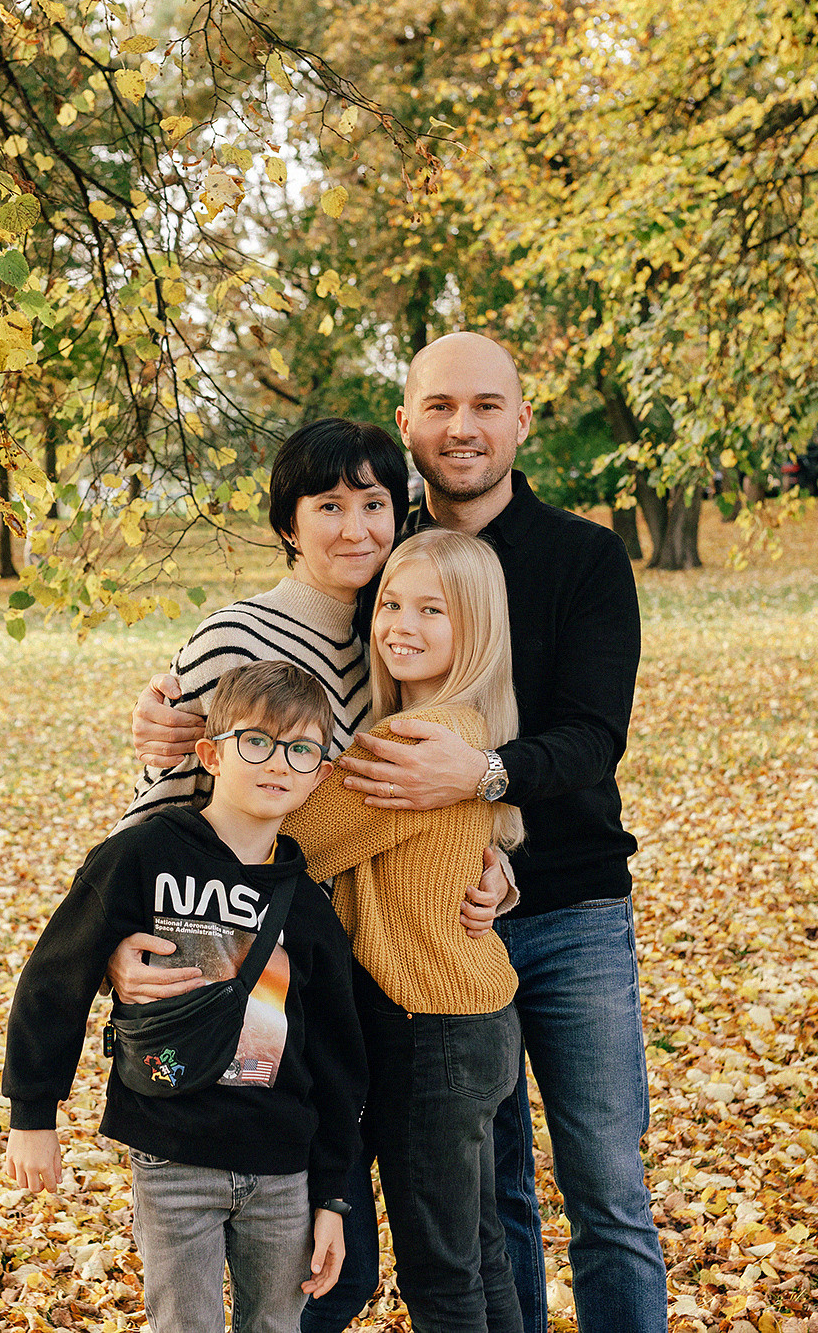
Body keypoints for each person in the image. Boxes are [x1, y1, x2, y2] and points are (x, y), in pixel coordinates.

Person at [125, 333, 663, 1333]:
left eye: (486, 405)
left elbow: (593, 736)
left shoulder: (578, 556)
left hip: (560, 909)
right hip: (387, 948)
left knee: (602, 1188)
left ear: (521, 419)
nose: (463, 428)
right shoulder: (381, 559)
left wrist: (483, 799)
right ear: (409, 422)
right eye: (440, 407)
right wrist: (180, 727)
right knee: (482, 1206)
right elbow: (207, 764)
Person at [3, 660, 368, 1333]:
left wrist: (332, 1197)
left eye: (300, 749)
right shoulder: (145, 855)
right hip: (173, 1154)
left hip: (281, 1170)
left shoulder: (309, 906)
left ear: (319, 774)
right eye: (255, 741)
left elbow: (337, 1060)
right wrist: (33, 1113)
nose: (277, 761)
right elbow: (57, 976)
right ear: (211, 754)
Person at [277, 529, 526, 1333]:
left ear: (475, 629)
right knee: (478, 1252)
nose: (400, 625)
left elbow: (291, 840)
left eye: (432, 610)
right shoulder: (469, 726)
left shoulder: (412, 742)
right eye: (390, 603)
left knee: (442, 1278)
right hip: (475, 1015)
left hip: (428, 1028)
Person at [112, 417, 411, 835]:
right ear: (289, 528)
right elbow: (159, 809)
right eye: (330, 506)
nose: (356, 531)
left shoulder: (386, 651)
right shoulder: (232, 640)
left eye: (374, 505)